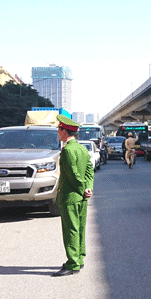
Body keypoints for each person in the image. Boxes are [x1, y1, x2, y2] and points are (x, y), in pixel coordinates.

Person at [53, 115, 94, 277]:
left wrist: (82, 188)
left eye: (59, 129)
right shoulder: (82, 148)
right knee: (80, 228)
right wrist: (88, 188)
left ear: (64, 131)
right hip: (82, 197)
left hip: (71, 196)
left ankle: (72, 263)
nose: (57, 131)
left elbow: (73, 175)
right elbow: (89, 170)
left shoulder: (68, 150)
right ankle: (79, 258)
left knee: (71, 229)